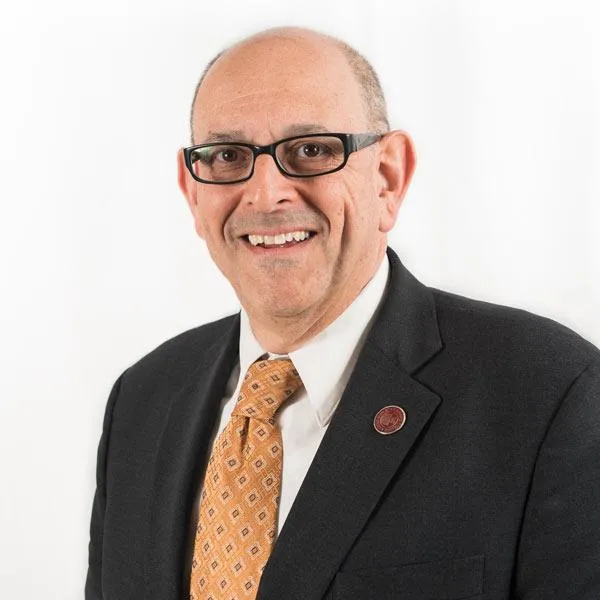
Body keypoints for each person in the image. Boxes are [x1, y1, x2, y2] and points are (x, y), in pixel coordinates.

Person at [85, 26, 600, 600]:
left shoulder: (548, 392)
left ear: (388, 177)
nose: (266, 194)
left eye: (311, 150)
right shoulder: (143, 400)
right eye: (227, 156)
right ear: (193, 192)